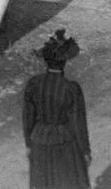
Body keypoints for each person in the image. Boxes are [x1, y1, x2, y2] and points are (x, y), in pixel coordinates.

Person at [22, 29, 91, 189]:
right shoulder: (70, 88)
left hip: (39, 141)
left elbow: (28, 118)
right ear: (64, 62)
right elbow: (78, 123)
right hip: (64, 142)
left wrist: (29, 144)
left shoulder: (33, 84)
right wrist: (85, 151)